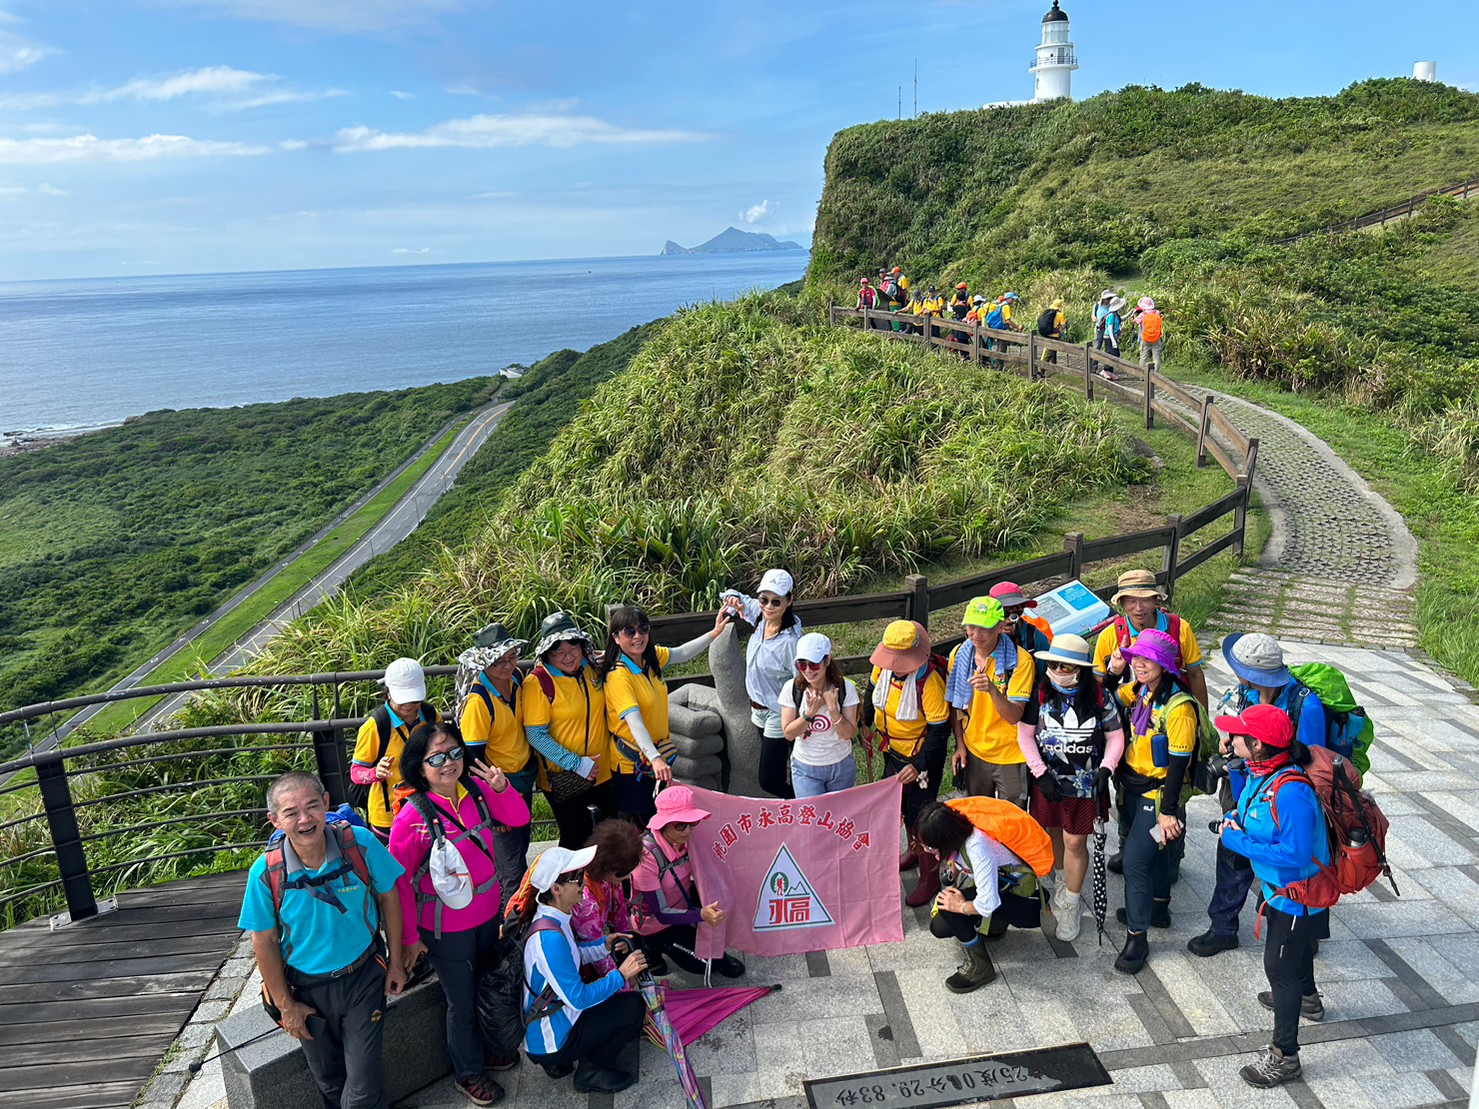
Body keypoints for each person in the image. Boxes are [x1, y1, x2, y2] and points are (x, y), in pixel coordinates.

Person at [239, 771, 408, 1109]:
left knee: (360, 1085)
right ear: (275, 820)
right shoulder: (266, 873)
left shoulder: (358, 844)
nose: (305, 819)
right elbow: (264, 943)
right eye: (291, 812)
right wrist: (286, 1006)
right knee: (329, 1080)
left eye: (312, 806)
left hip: (363, 977)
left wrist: (396, 962)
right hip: (306, 990)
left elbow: (390, 896)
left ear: (327, 803)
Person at [390, 722, 531, 1105]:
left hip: (487, 914)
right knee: (463, 1001)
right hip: (445, 928)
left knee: (488, 983)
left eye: (454, 753)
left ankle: (487, 1051)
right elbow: (397, 883)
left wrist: (502, 788)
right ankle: (468, 1073)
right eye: (436, 757)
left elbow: (517, 819)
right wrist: (408, 939)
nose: (448, 763)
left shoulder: (477, 791)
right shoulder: (411, 818)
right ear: (420, 767)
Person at [1189, 633, 1328, 958]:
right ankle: (1223, 928)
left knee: (1291, 867)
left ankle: (1301, 935)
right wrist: (1232, 741)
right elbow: (1246, 734)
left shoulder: (1305, 706)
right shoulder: (1247, 693)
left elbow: (1313, 765)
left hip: (1282, 804)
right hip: (1245, 790)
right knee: (1232, 858)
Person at [1215, 705, 1330, 1089]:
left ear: (1259, 745)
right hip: (1279, 891)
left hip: (1296, 897)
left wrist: (1237, 839)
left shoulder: (1292, 791)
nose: (1231, 739)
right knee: (1295, 953)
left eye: (1238, 736)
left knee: (1280, 969)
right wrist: (1237, 823)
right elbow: (1257, 820)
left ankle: (1286, 1058)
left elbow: (1295, 854)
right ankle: (1309, 999)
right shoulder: (1262, 775)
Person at [1095, 569, 1207, 883]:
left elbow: (1196, 675)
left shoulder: (1177, 628)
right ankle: (1130, 850)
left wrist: (1200, 720)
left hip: (1171, 721)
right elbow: (1099, 687)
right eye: (1131, 600)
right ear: (1121, 603)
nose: (1139, 607)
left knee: (1172, 790)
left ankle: (1171, 857)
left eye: (1146, 599)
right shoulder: (1111, 635)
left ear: (1157, 599)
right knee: (1126, 790)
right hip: (1126, 726)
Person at [1016, 634, 1125, 942]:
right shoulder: (1039, 693)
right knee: (1053, 830)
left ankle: (1072, 902)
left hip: (1086, 784)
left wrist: (1107, 767)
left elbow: (1115, 736)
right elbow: (1024, 735)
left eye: (1064, 666)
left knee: (1075, 842)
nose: (1057, 671)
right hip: (1048, 781)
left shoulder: (1100, 696)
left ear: (1080, 668)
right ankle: (1063, 882)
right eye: (1052, 664)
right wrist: (1040, 773)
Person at [518, 845, 650, 1095]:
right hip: (552, 1038)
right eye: (576, 879)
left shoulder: (555, 918)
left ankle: (570, 1060)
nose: (583, 882)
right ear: (556, 889)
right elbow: (578, 999)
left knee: (618, 1001)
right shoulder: (550, 938)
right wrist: (621, 975)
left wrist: (605, 945)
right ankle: (591, 1072)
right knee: (633, 1006)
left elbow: (575, 955)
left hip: (554, 1021)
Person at [1111, 628, 1199, 974]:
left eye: (1148, 659)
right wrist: (1115, 669)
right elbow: (1105, 697)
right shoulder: (1141, 691)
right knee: (1157, 852)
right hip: (1133, 786)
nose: (1141, 664)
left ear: (1164, 664)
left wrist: (1168, 812)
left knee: (1134, 863)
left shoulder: (1178, 708)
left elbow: (1178, 764)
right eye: (1137, 658)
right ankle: (1158, 908)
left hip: (1157, 794)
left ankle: (1137, 938)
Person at [599, 604, 730, 823]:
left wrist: (714, 634)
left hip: (654, 760)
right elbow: (634, 721)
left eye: (643, 629)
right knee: (643, 827)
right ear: (616, 637)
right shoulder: (618, 677)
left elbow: (681, 654)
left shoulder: (650, 659)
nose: (638, 636)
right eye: (629, 632)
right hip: (634, 766)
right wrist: (655, 758)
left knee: (659, 821)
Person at [915, 800, 1043, 993]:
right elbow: (961, 860)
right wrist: (953, 873)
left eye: (930, 847)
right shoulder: (957, 827)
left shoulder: (977, 846)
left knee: (948, 909)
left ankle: (980, 968)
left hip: (1028, 904)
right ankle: (996, 925)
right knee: (940, 924)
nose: (926, 850)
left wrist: (960, 906)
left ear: (945, 839)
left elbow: (987, 903)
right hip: (1004, 889)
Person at [869, 619, 952, 908]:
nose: (896, 664)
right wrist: (867, 725)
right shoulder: (882, 669)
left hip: (922, 759)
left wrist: (918, 764)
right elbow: (872, 698)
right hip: (891, 751)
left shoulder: (929, 682)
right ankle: (914, 851)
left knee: (923, 815)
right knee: (901, 808)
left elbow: (940, 731)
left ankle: (930, 878)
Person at [455, 623, 534, 905]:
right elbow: (473, 762)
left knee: (519, 853)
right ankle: (510, 928)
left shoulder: (518, 679)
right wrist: (492, 809)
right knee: (512, 868)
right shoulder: (478, 702)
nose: (507, 665)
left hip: (522, 781)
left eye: (512, 657)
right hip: (500, 790)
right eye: (498, 661)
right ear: (484, 664)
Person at [630, 785, 746, 977]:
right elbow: (662, 914)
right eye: (680, 825)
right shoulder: (646, 857)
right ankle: (649, 946)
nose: (688, 831)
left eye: (693, 823)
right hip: (658, 923)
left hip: (683, 906)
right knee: (705, 966)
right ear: (664, 824)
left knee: (725, 898)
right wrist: (702, 915)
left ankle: (715, 951)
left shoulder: (688, 838)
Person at [523, 612, 615, 850]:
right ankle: (566, 887)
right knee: (576, 839)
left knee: (609, 837)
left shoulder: (591, 667)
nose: (568, 656)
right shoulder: (538, 682)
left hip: (603, 772)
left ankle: (604, 887)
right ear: (547, 653)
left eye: (572, 647)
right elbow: (535, 735)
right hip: (565, 777)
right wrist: (577, 764)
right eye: (558, 651)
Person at [721, 568, 803, 799]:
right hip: (757, 709)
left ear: (789, 601)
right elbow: (733, 596)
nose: (768, 607)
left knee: (769, 780)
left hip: (779, 711)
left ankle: (802, 804)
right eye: (764, 599)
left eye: (776, 602)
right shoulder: (760, 617)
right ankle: (800, 806)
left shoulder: (790, 643)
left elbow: (802, 680)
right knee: (783, 766)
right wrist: (732, 599)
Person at [947, 597, 1034, 808]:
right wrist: (960, 744)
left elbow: (1014, 716)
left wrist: (993, 691)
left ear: (1000, 626)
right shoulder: (959, 655)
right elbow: (954, 706)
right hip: (974, 751)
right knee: (978, 821)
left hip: (1011, 756)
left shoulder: (1021, 661)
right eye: (971, 626)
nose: (975, 634)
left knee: (1012, 826)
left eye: (983, 628)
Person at [351, 657, 440, 843]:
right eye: (403, 699)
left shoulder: (431, 716)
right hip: (388, 815)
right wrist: (376, 772)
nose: (409, 704)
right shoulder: (375, 727)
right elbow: (356, 773)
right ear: (388, 693)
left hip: (429, 803)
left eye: (413, 698)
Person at [779, 632, 861, 797]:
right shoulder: (792, 688)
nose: (808, 670)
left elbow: (848, 733)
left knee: (840, 818)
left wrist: (833, 710)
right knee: (812, 821)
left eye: (814, 664)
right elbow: (788, 733)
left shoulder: (845, 689)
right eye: (802, 665)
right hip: (806, 767)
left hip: (841, 765)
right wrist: (810, 713)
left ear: (827, 661)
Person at [571, 819, 646, 976]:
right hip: (579, 957)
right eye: (623, 872)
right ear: (606, 867)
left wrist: (627, 941)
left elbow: (620, 915)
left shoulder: (609, 877)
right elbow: (594, 951)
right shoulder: (583, 898)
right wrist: (623, 980)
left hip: (601, 941)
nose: (627, 877)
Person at [991, 580, 1053, 686]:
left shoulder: (1035, 637)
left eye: (1017, 612)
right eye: (1004, 613)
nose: (1010, 619)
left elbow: (1045, 677)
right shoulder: (983, 637)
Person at [1134, 296, 1165, 374]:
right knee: (1157, 356)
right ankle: (1156, 374)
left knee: (1144, 356)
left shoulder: (1142, 315)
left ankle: (1142, 375)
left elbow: (1135, 322)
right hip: (1156, 337)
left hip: (1145, 338)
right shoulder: (1157, 312)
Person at [1093, 291, 1125, 368]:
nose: (1109, 300)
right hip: (1100, 329)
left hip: (1110, 331)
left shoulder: (1113, 306)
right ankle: (1093, 367)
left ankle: (1108, 368)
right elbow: (1093, 318)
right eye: (1108, 298)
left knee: (1109, 350)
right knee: (1097, 347)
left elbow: (1118, 318)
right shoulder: (1097, 306)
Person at [1036, 299, 1066, 366]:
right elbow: (1063, 326)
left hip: (1047, 333)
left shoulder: (1048, 312)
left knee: (1052, 352)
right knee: (1048, 354)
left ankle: (1053, 367)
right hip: (1054, 335)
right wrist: (1065, 323)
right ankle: (1041, 369)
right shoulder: (1060, 315)